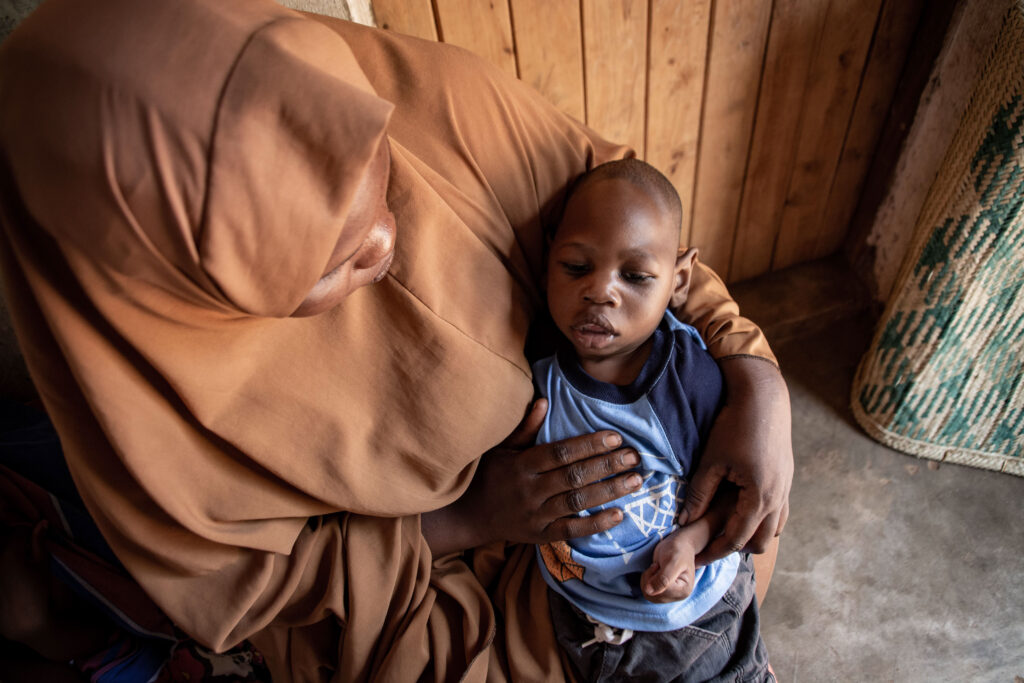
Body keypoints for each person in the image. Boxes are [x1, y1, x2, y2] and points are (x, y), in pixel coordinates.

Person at [0, 0, 792, 680]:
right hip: (429, 569)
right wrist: (474, 516)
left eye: (383, 182)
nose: (387, 244)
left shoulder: (415, 100)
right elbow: (243, 585)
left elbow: (625, 204)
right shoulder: (135, 383)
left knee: (734, 552)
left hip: (607, 491)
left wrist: (756, 382)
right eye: (325, 265)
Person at [532, 159, 772, 681]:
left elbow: (734, 488)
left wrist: (691, 543)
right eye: (576, 267)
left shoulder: (689, 378)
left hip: (691, 616)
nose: (601, 292)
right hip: (581, 613)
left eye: (636, 276)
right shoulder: (538, 368)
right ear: (549, 256)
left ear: (679, 279)